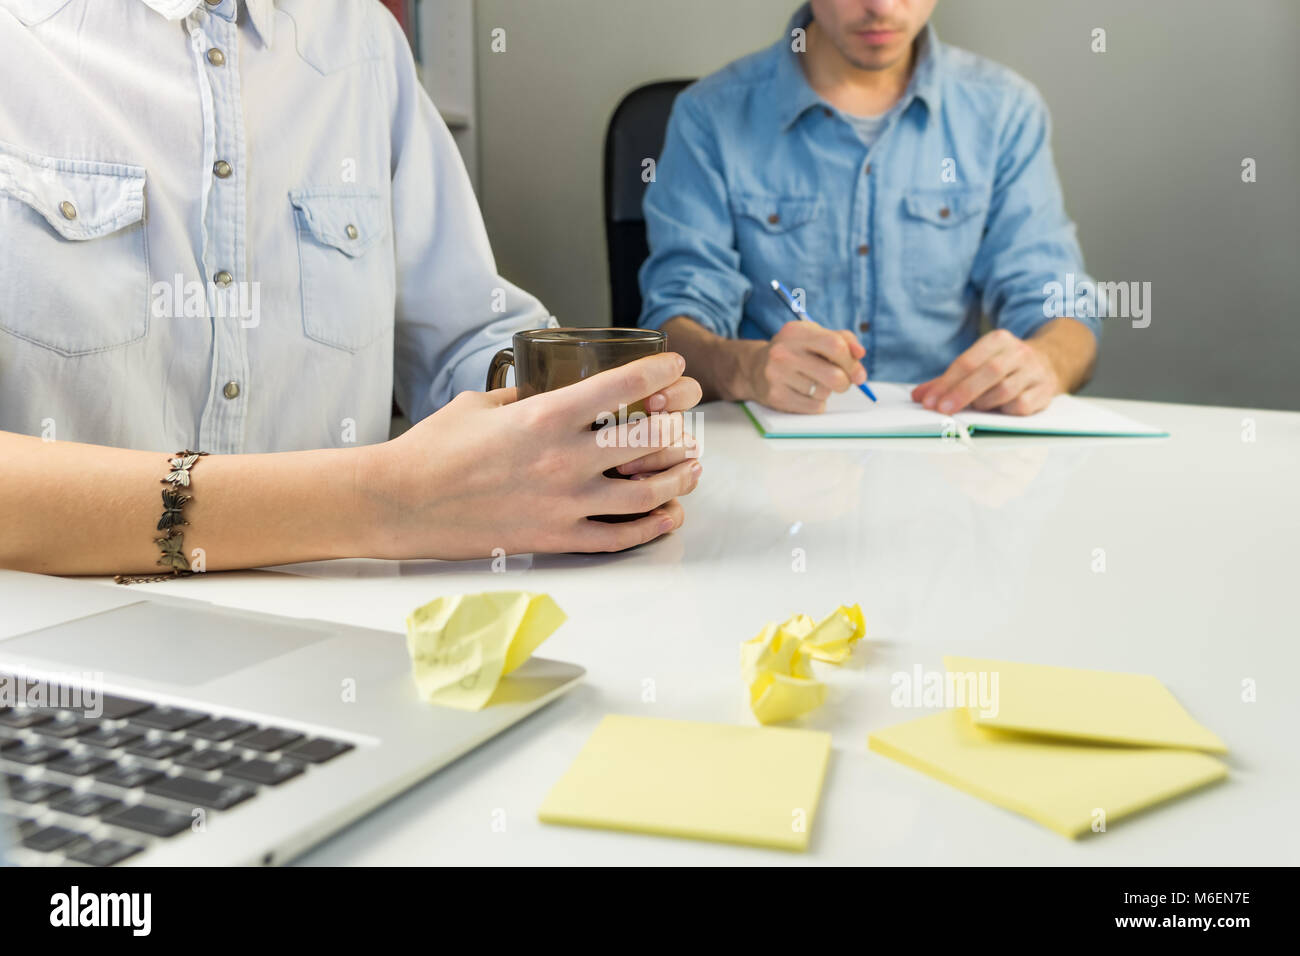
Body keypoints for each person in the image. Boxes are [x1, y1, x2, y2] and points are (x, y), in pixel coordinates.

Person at [0, 0, 701, 576]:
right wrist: (391, 500)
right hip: (62, 648)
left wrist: (567, 422)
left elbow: (461, 333)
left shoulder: (363, 39)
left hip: (342, 632)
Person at [638, 0, 1101, 416]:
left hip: (945, 441)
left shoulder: (1005, 111)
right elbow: (674, 324)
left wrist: (1045, 362)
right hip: (773, 445)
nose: (880, 6)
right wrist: (748, 369)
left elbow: (1058, 301)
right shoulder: (710, 115)